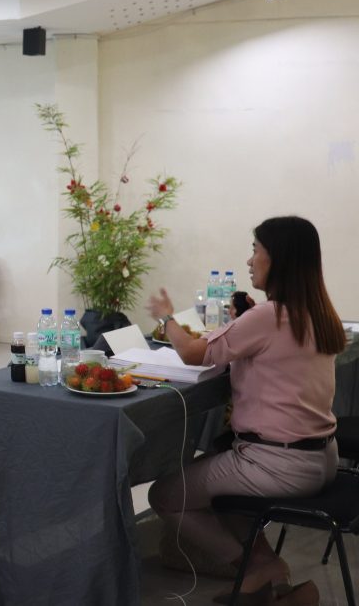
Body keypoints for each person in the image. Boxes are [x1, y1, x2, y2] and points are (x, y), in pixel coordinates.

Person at [146, 216, 345, 606]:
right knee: (221, 473)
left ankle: (254, 567)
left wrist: (167, 317)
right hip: (320, 458)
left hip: (277, 466)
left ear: (279, 258)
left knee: (166, 495)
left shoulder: (269, 316)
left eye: (256, 250)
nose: (250, 261)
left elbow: (192, 353)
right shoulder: (318, 312)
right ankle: (270, 577)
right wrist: (243, 323)